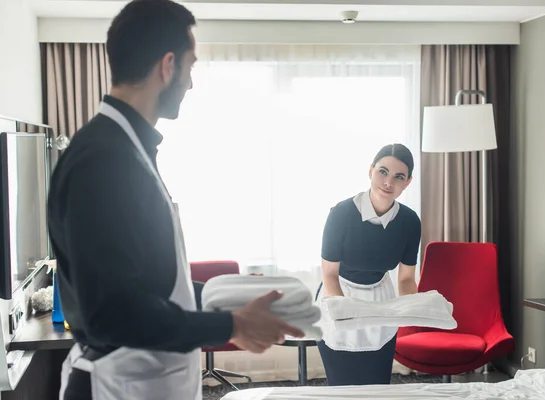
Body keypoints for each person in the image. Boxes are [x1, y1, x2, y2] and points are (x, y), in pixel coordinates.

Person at [47, 1, 304, 399]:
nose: (191, 82)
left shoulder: (125, 150)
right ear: (168, 66)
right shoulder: (104, 161)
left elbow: (150, 284)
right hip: (117, 389)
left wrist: (230, 294)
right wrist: (232, 326)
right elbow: (112, 313)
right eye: (191, 66)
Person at [315, 143, 421, 386]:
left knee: (377, 386)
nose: (388, 182)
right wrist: (344, 314)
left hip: (380, 301)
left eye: (399, 177)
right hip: (339, 295)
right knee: (342, 387)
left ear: (407, 182)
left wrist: (413, 307)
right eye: (383, 171)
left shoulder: (409, 222)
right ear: (370, 170)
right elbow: (329, 274)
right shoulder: (341, 213)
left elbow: (405, 279)